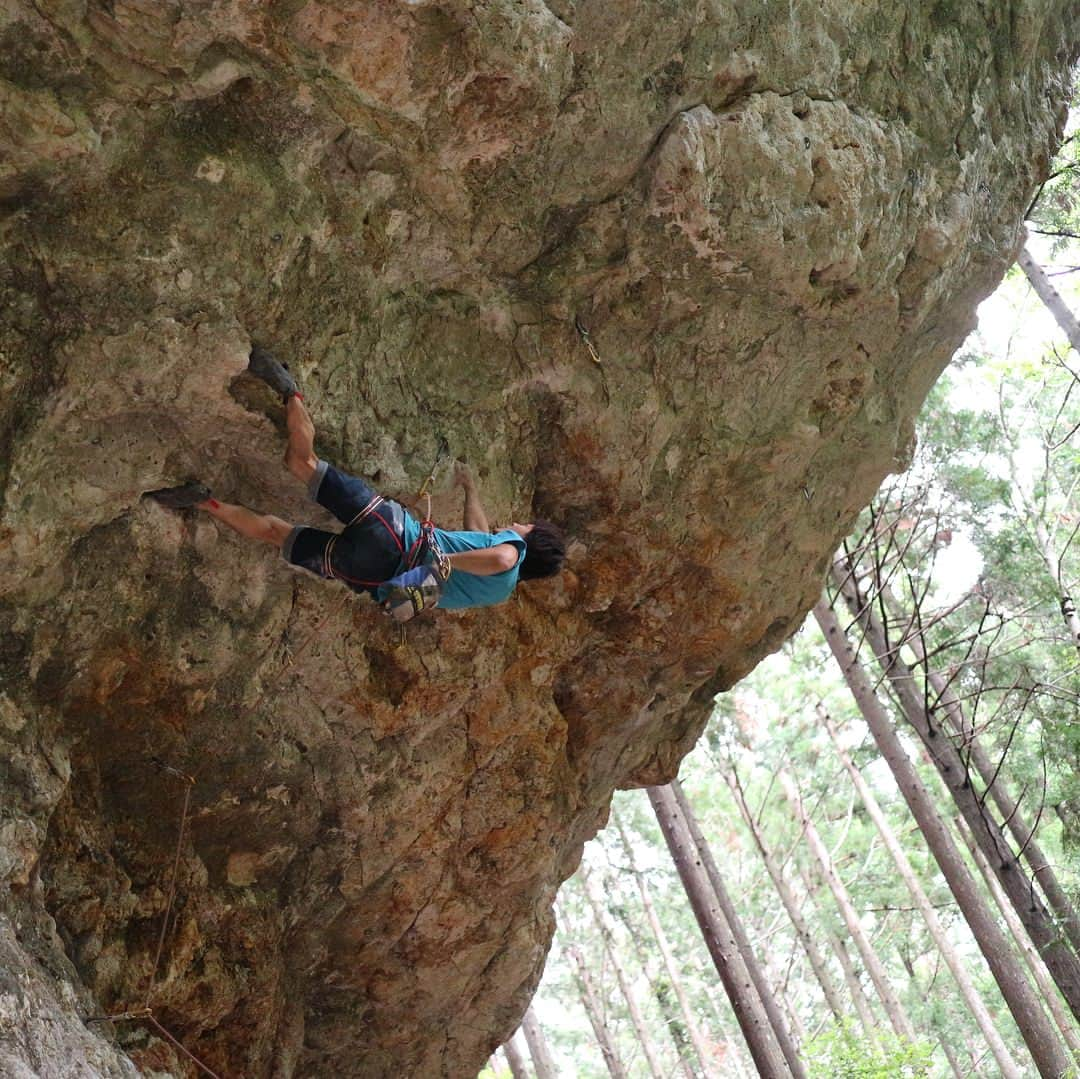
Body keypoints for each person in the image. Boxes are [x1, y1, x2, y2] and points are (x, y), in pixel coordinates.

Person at [147, 346, 565, 617]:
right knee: (277, 533)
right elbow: (480, 537)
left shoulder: (509, 554)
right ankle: (203, 503)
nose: (515, 525)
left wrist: (441, 561)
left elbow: (502, 557)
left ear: (531, 541)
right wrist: (471, 491)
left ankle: (290, 391)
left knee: (302, 462)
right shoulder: (496, 592)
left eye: (525, 527)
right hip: (372, 573)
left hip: (395, 533)